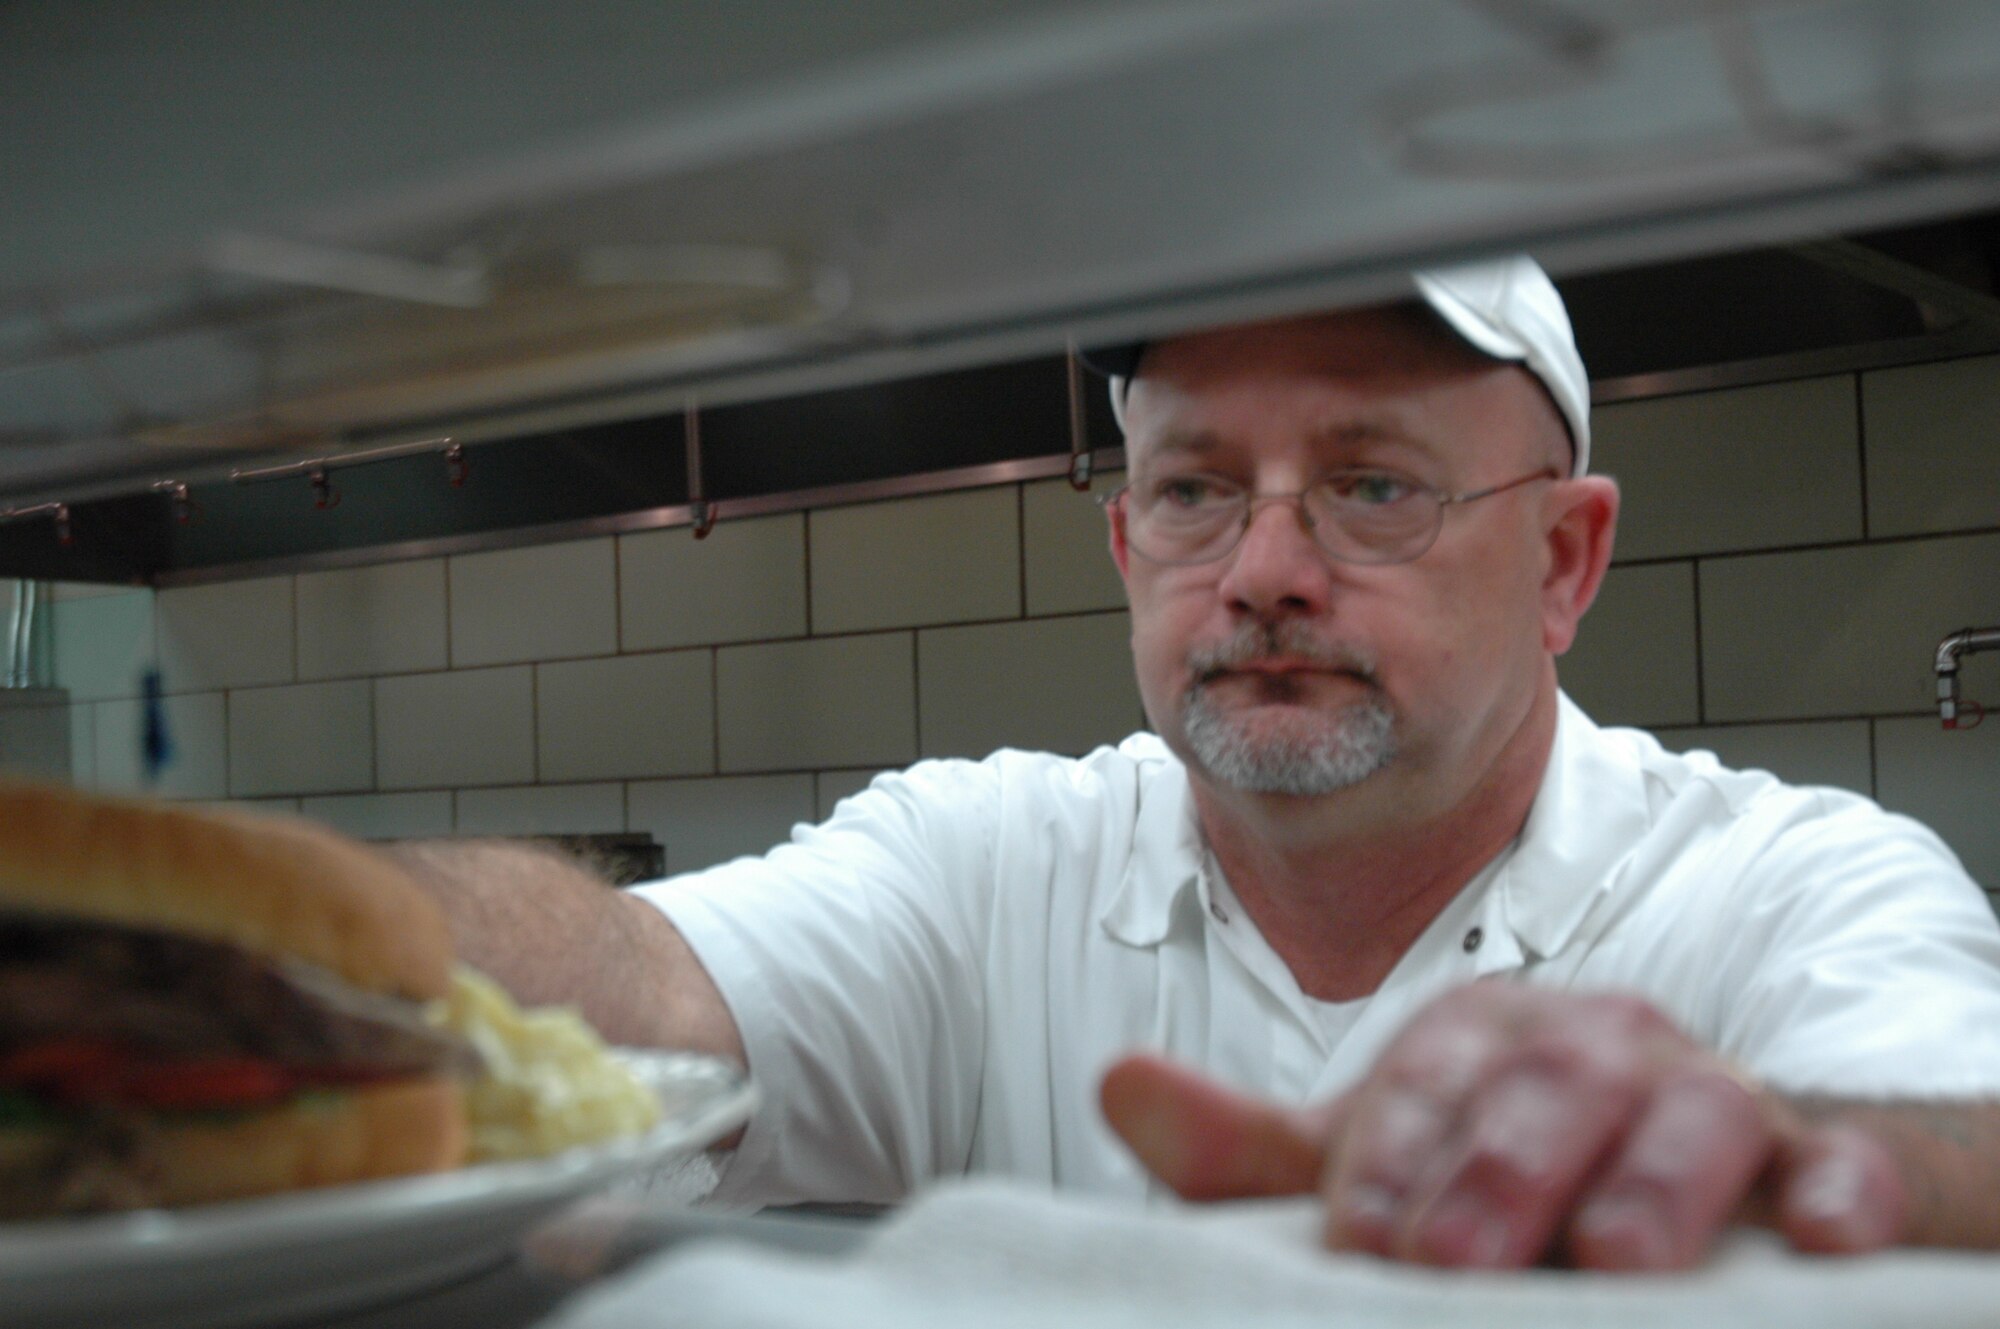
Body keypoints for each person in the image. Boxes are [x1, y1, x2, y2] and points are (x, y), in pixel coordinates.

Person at [390, 256, 2000, 1272]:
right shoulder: (991, 867)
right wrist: (282, 935)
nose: (1265, 568)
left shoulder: (1784, 883)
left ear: (1566, 561)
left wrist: (1755, 1142)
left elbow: (1962, 1140)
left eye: (1373, 486)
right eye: (1195, 491)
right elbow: (626, 978)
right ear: (1125, 540)